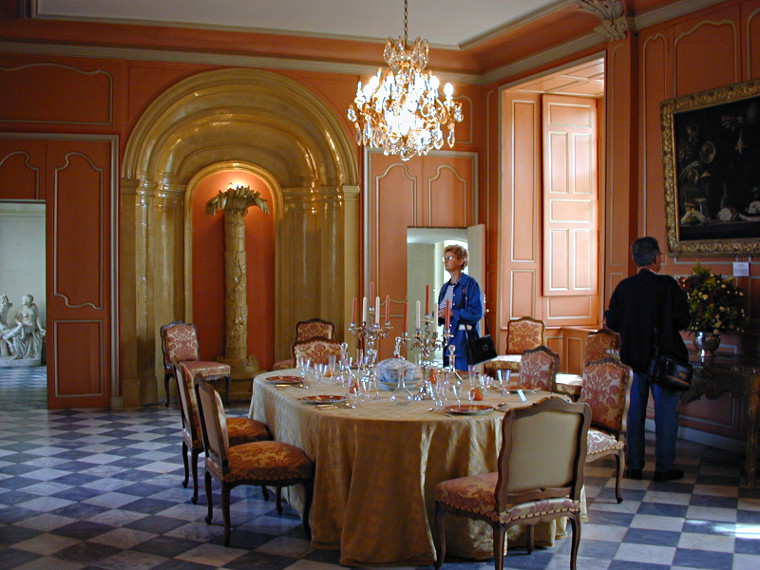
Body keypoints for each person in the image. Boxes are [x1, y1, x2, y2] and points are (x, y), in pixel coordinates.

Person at [604, 237, 690, 482]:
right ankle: (663, 468)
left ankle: (634, 466)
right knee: (665, 414)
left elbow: (613, 322)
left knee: (634, 413)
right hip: (663, 360)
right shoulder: (668, 286)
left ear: (635, 259)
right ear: (655, 258)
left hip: (633, 359)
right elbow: (683, 321)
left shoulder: (624, 287)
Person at [437, 245, 483, 372]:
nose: (446, 261)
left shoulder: (470, 284)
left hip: (464, 341)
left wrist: (453, 313)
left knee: (464, 379)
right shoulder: (445, 287)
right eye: (445, 258)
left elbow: (477, 312)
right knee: (449, 379)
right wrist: (438, 315)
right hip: (448, 340)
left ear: (461, 261)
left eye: (450, 258)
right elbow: (442, 311)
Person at [5, 294, 46, 360]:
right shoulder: (21, 309)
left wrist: (40, 328)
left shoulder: (34, 307)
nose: (22, 301)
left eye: (24, 299)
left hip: (31, 327)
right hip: (23, 326)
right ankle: (19, 354)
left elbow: (37, 318)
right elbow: (15, 318)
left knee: (19, 329)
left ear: (28, 300)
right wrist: (19, 323)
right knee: (18, 332)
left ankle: (7, 337)